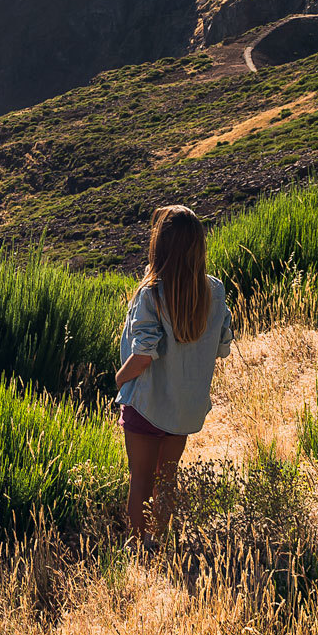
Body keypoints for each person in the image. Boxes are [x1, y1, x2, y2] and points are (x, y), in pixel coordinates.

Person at [114, 204, 233, 549]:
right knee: (166, 480)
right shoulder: (214, 290)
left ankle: (137, 549)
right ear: (198, 247)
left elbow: (144, 354)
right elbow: (223, 347)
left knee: (140, 480)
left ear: (160, 246)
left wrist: (121, 380)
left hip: (147, 402)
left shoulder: (151, 293)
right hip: (184, 408)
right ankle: (157, 542)